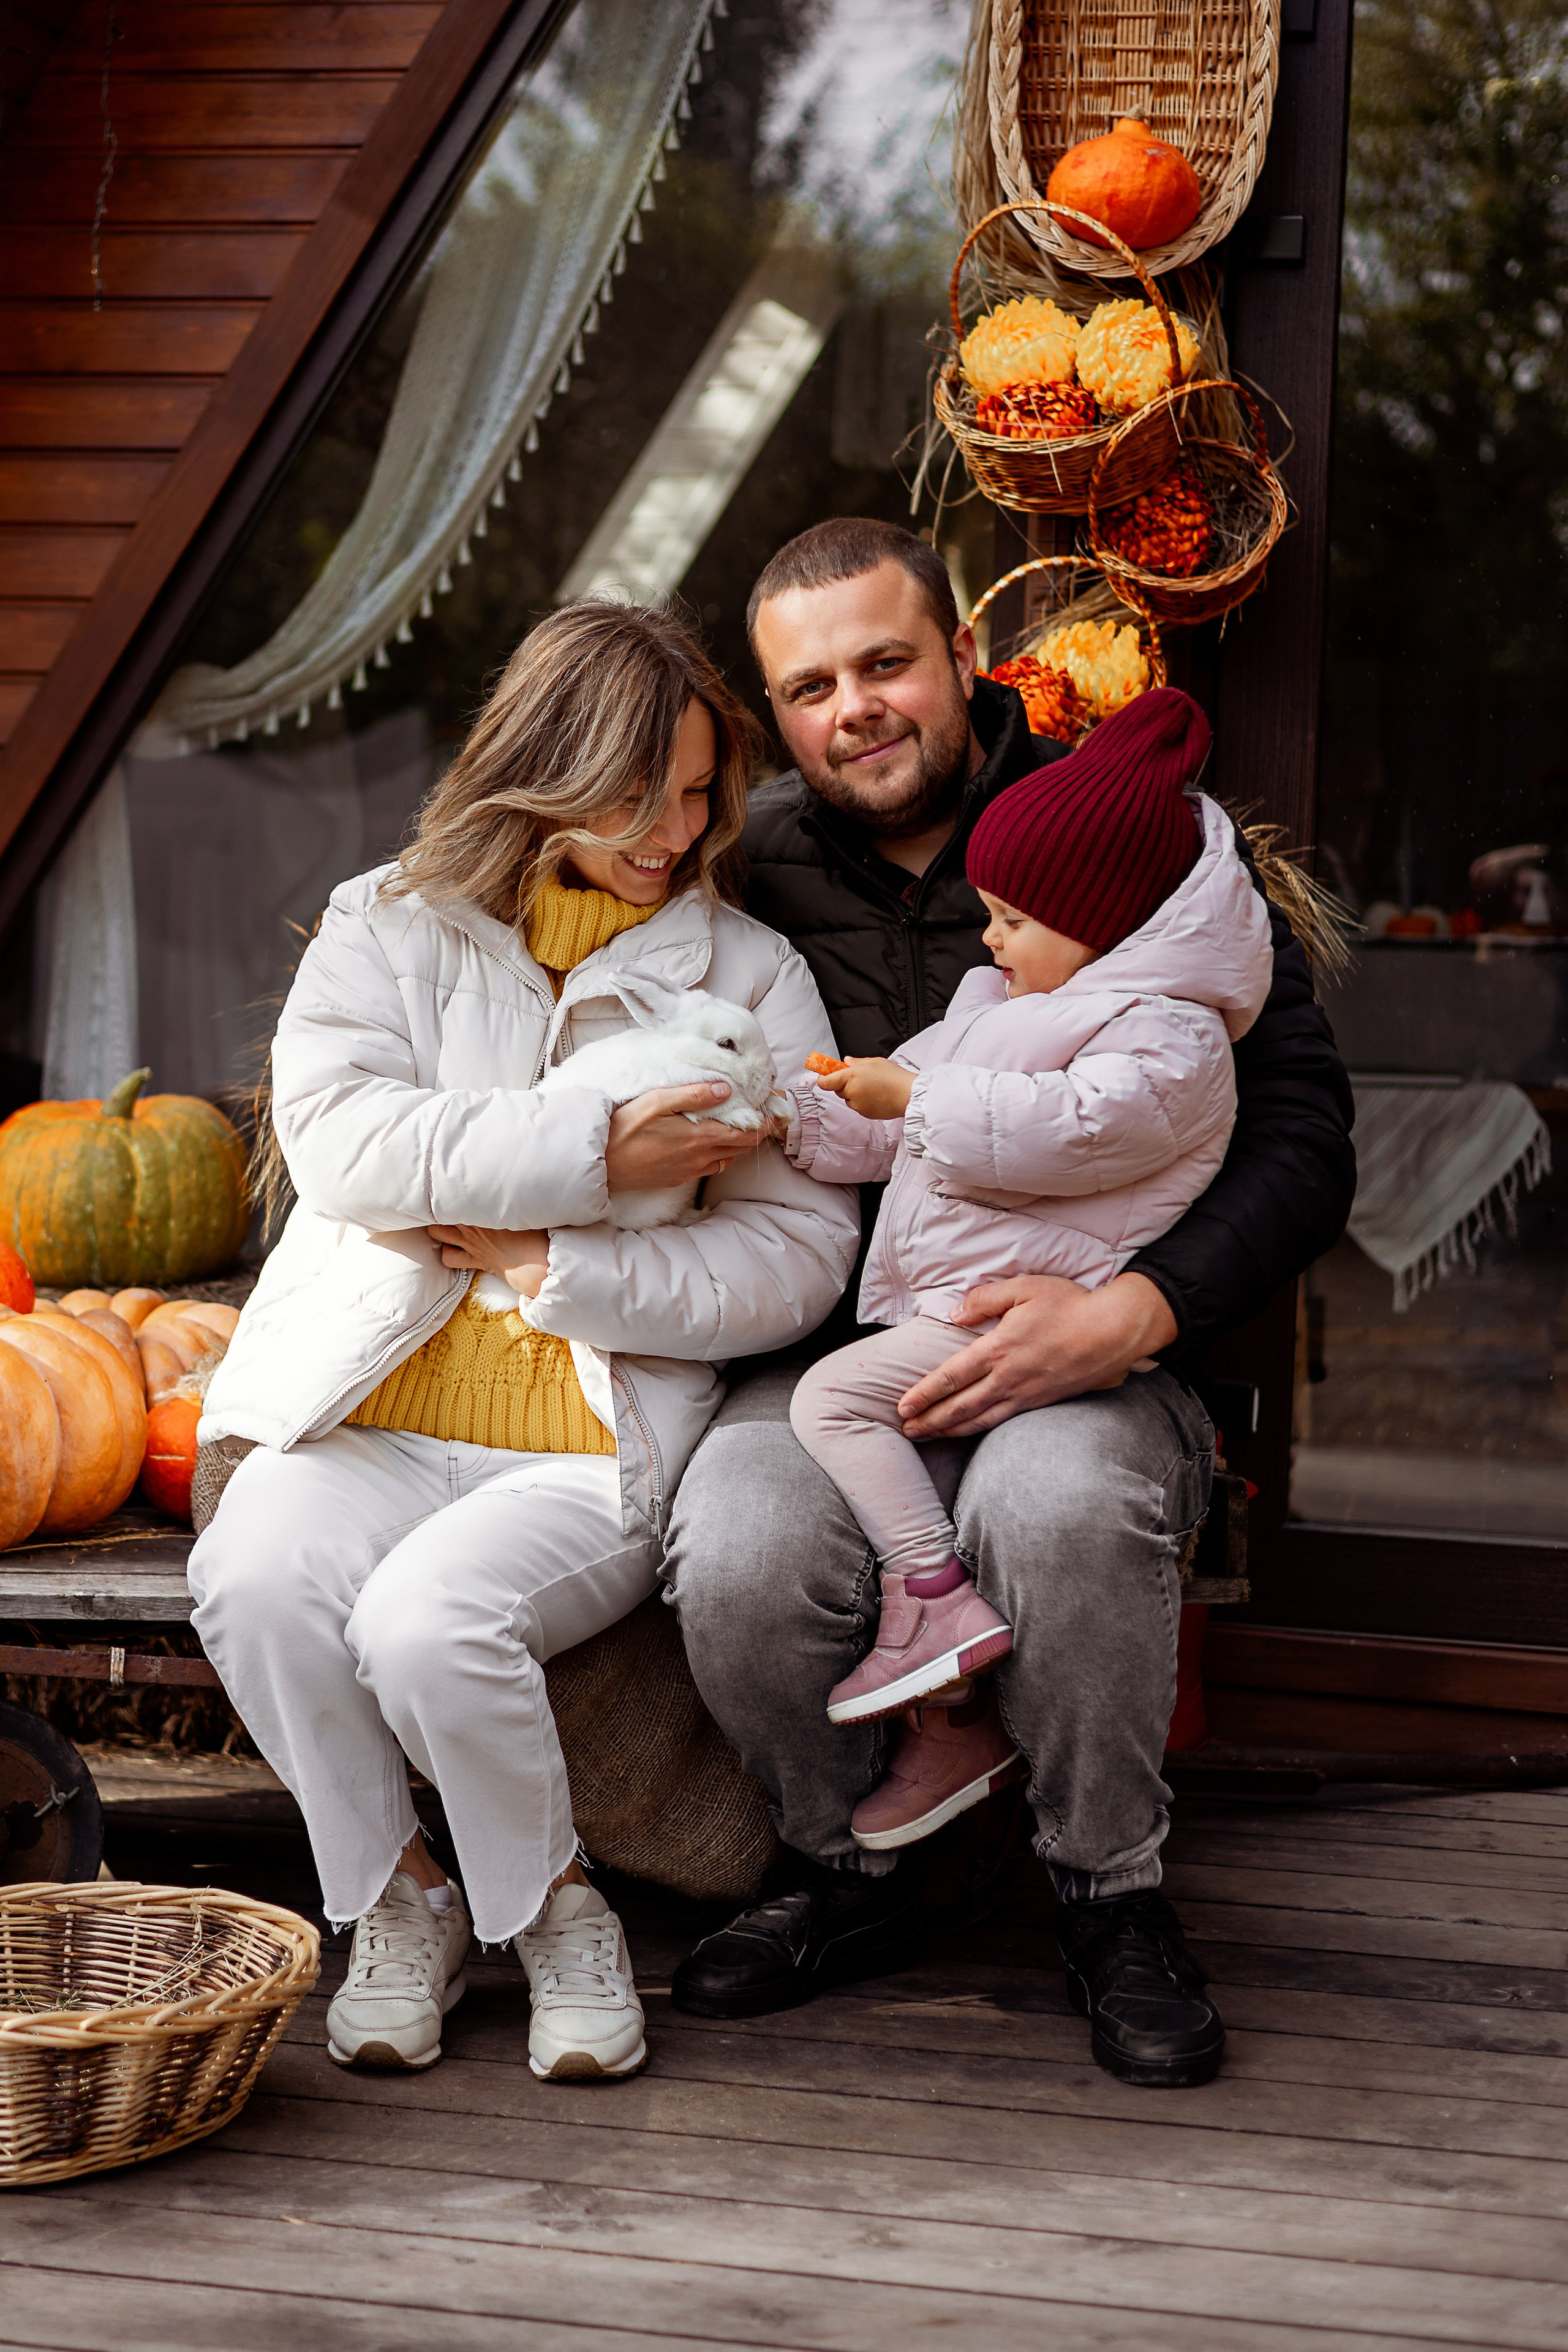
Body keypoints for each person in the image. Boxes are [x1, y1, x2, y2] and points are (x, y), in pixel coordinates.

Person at [663, 517, 1355, 2090]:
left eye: (886, 662)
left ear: (963, 659)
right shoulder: (741, 866)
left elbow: (1304, 1132)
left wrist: (1139, 1314)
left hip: (1093, 1336)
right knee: (740, 1540)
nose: (854, 708)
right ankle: (849, 1864)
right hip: (844, 1340)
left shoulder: (1127, 838)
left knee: (1057, 1507)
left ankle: (1107, 1892)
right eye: (808, 686)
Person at [189, 601, 857, 2082]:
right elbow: (346, 1146)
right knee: (248, 1573)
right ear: (543, 769)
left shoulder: (746, 977)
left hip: (588, 1437)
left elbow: (799, 1259)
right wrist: (598, 1154)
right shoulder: (388, 923)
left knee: (428, 1626)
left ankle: (561, 1921)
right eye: (638, 795)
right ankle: (406, 1904)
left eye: (697, 792)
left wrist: (558, 1259)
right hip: (368, 1403)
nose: (675, 832)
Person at [786, 687, 1275, 1854]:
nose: (989, 937)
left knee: (833, 1401)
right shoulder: (1005, 998)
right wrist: (807, 1117)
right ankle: (920, 1748)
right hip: (964, 1298)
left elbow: (1072, 1128)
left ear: (1100, 921)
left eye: (1010, 917)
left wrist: (918, 1098)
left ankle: (930, 1601)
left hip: (1029, 1317)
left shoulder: (1173, 1034)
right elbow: (909, 1115)